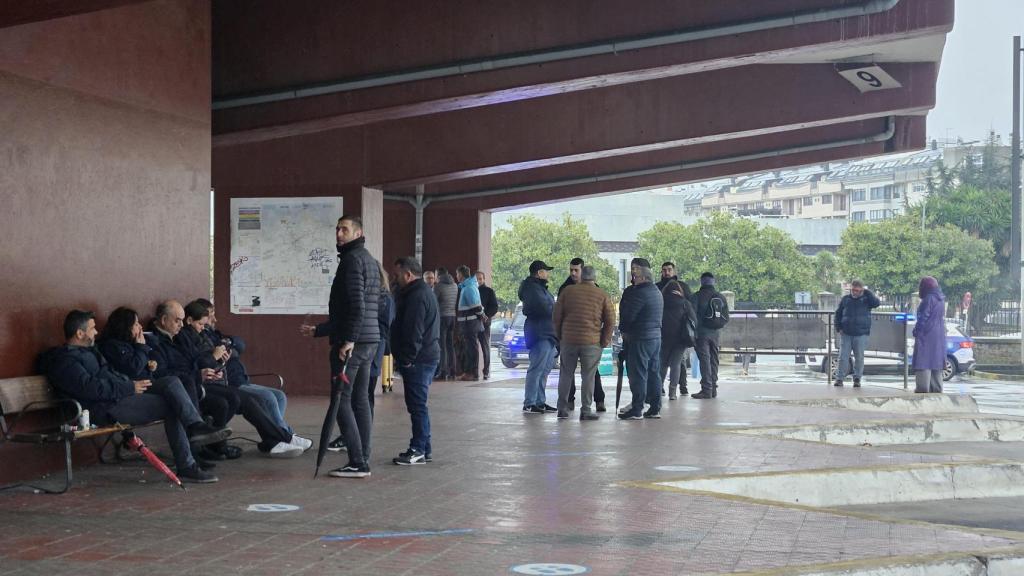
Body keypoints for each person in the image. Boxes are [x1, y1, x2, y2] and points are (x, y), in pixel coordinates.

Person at [46, 310, 228, 483]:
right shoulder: (65, 360)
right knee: (172, 405)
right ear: (79, 333)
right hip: (103, 408)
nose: (96, 331)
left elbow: (111, 375)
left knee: (171, 382)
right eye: (92, 328)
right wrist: (128, 387)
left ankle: (195, 425)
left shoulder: (91, 351)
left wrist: (133, 381)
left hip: (120, 395)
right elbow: (90, 388)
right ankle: (187, 464)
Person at [301, 214, 381, 479]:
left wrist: (348, 340)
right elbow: (353, 310)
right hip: (369, 340)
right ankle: (363, 456)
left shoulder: (351, 261)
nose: (338, 234)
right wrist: (320, 330)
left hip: (354, 343)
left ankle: (358, 462)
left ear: (357, 233)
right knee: (359, 400)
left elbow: (356, 307)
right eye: (337, 229)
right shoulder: (368, 260)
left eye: (344, 230)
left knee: (342, 400)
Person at [178, 301, 304, 458]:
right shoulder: (183, 337)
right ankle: (282, 437)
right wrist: (213, 358)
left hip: (217, 380)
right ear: (189, 320)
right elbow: (194, 364)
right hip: (206, 384)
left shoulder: (205, 334)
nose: (208, 324)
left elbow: (236, 348)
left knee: (262, 397)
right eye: (201, 323)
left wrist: (219, 361)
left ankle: (280, 438)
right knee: (249, 399)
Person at [147, 300, 239, 463]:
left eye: (182, 320)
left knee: (232, 397)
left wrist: (209, 369)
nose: (181, 325)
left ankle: (209, 443)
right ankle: (196, 447)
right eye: (177, 320)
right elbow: (163, 373)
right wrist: (198, 374)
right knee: (219, 402)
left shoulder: (178, 336)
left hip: (195, 382)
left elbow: (194, 359)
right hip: (180, 387)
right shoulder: (154, 341)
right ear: (163, 320)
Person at [390, 257, 440, 465]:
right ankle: (424, 448)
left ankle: (418, 447)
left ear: (408, 274)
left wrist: (408, 359)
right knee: (417, 405)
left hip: (419, 360)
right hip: (424, 357)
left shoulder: (417, 296)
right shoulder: (421, 292)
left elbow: (414, 330)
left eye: (397, 274)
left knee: (418, 405)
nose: (395, 278)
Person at [553, 266, 614, 420]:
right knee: (588, 376)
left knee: (566, 373)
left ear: (581, 276)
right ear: (594, 277)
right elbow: (610, 320)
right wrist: (604, 340)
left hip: (568, 340)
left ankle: (562, 408)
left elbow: (556, 316)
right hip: (591, 341)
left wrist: (560, 335)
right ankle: (586, 410)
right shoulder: (602, 295)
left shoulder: (567, 292)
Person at [618, 265, 663, 419]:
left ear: (643, 278)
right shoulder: (656, 292)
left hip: (641, 338)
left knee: (638, 374)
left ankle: (637, 408)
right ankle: (655, 408)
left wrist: (622, 330)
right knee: (654, 373)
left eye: (636, 276)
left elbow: (629, 316)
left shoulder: (640, 293)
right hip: (655, 337)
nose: (633, 279)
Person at [519, 260, 558, 414]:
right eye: (545, 271)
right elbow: (544, 307)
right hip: (539, 333)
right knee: (536, 369)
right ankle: (530, 402)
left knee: (545, 369)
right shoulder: (532, 288)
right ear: (539, 272)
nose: (547, 274)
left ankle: (539, 401)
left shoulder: (539, 288)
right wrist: (555, 309)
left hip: (547, 333)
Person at [833, 280, 881, 387]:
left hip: (861, 333)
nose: (854, 292)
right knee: (843, 357)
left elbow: (877, 303)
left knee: (859, 357)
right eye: (852, 290)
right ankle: (839, 378)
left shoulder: (866, 299)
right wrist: (838, 327)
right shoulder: (846, 299)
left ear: (861, 290)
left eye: (857, 290)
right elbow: (838, 314)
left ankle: (857, 379)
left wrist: (867, 292)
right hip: (846, 333)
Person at [691, 272, 729, 399]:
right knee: (714, 359)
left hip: (701, 334)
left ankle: (706, 389)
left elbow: (692, 316)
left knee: (705, 360)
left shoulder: (697, 296)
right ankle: (713, 388)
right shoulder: (721, 297)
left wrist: (694, 331)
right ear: (713, 282)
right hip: (716, 333)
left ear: (702, 282)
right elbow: (726, 317)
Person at [660, 280, 696, 400]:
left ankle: (659, 389)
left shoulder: (661, 302)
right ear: (679, 291)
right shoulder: (685, 303)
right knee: (675, 365)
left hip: (663, 337)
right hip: (681, 339)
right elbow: (694, 321)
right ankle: (672, 392)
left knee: (663, 364)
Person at [913, 276, 947, 393]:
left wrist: (917, 331)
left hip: (926, 334)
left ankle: (922, 388)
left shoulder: (929, 299)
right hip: (938, 333)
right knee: (936, 362)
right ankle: (937, 389)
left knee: (923, 361)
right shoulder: (941, 298)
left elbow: (924, 317)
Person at [455, 265, 484, 381]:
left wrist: (482, 315)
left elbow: (476, 306)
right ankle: (469, 372)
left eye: (457, 274)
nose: (456, 276)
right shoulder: (467, 287)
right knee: (469, 348)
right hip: (468, 324)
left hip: (470, 324)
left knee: (471, 349)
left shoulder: (468, 288)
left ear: (461, 275)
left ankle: (472, 373)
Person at [434, 267, 458, 380]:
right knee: (450, 345)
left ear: (438, 274)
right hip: (452, 317)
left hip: (442, 317)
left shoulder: (438, 286)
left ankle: (443, 371)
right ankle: (452, 370)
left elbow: (433, 302)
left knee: (442, 345)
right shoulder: (455, 285)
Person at [476, 271, 499, 379]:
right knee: (472, 347)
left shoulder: (489, 291)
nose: (478, 281)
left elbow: (494, 307)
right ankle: (473, 370)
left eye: (480, 278)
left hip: (484, 323)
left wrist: (486, 316)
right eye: (476, 279)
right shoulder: (472, 290)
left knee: (485, 347)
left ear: (484, 279)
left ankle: (486, 371)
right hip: (473, 322)